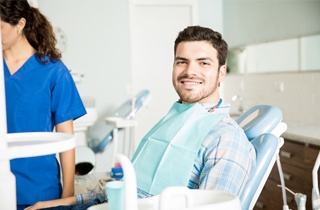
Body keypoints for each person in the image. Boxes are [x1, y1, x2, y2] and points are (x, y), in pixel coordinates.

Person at [24, 25, 256, 210]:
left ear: (221, 73)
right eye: (181, 61)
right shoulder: (173, 120)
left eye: (203, 63)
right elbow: (129, 189)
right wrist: (67, 202)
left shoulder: (226, 140)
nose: (189, 71)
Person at [0, 0, 87, 210]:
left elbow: (66, 139)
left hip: (39, 192)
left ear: (20, 24)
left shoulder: (54, 72)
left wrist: (67, 197)